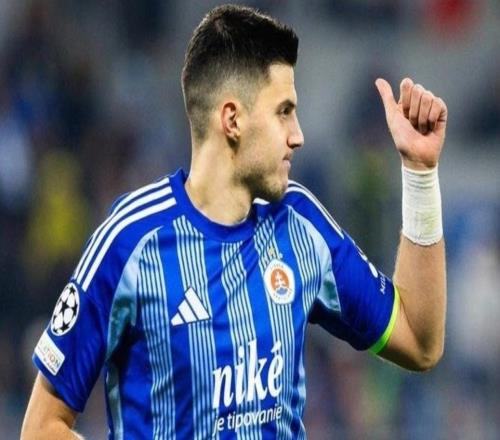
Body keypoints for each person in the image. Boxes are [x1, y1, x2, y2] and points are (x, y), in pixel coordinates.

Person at [21, 4, 447, 439]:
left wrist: (419, 173)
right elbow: (41, 428)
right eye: (284, 111)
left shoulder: (300, 225)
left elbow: (419, 342)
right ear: (232, 119)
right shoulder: (131, 241)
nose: (298, 135)